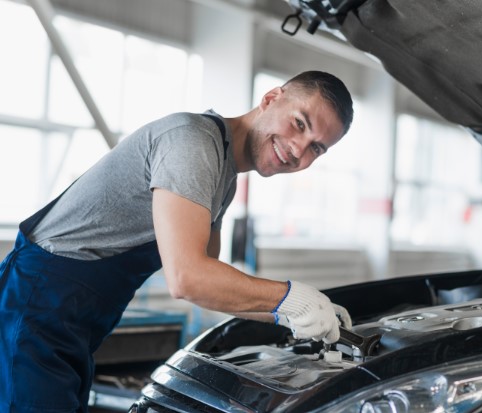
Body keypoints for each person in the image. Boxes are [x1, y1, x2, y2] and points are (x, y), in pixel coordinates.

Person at [0, 70, 354, 413]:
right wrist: (291, 298)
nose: (298, 149)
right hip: (36, 306)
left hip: (71, 323)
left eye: (316, 148)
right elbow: (189, 279)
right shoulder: (193, 142)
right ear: (270, 98)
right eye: (300, 123)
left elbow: (212, 285)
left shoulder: (223, 175)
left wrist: (298, 317)